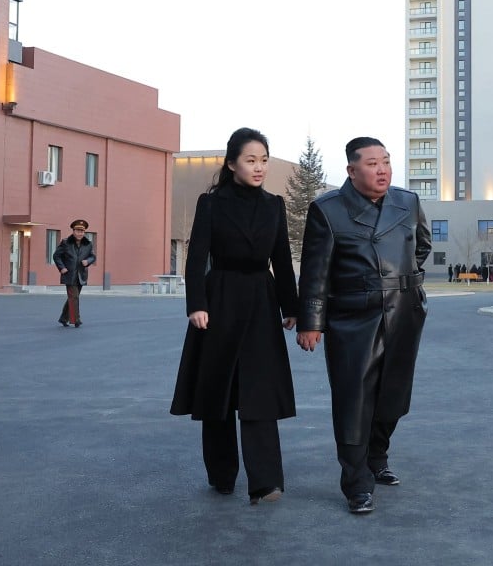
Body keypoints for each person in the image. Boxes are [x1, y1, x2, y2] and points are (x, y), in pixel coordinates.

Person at [297, 137, 431, 514]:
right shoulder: (328, 210)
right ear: (352, 171)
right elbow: (315, 272)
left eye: (386, 161)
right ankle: (356, 483)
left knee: (394, 394)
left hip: (403, 311)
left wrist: (404, 283)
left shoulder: (407, 202)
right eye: (372, 164)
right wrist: (311, 321)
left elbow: (420, 247)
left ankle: (377, 458)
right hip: (352, 316)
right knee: (353, 398)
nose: (382, 169)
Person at [170, 127, 298, 506]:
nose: (259, 168)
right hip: (219, 299)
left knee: (259, 390)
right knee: (219, 391)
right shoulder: (211, 203)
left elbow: (281, 261)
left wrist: (290, 308)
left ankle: (266, 482)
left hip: (261, 300)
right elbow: (196, 260)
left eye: (264, 160)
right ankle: (222, 474)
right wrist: (196, 304)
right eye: (250, 160)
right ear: (231, 163)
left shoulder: (275, 204)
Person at [53, 219, 96, 328]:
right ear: (73, 231)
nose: (80, 233)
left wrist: (88, 261)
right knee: (74, 297)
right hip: (69, 274)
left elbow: (93, 256)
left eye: (82, 231)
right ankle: (76, 320)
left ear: (84, 232)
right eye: (77, 231)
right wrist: (62, 267)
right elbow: (56, 256)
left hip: (81, 275)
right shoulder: (65, 242)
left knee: (72, 297)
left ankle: (63, 318)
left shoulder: (88, 244)